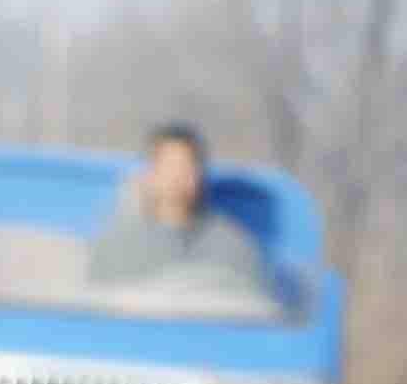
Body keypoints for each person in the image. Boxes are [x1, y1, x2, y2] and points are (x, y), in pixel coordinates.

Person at [85, 122, 274, 294]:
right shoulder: (116, 247)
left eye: (186, 167)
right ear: (149, 175)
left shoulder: (232, 246)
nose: (177, 177)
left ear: (200, 176)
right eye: (168, 166)